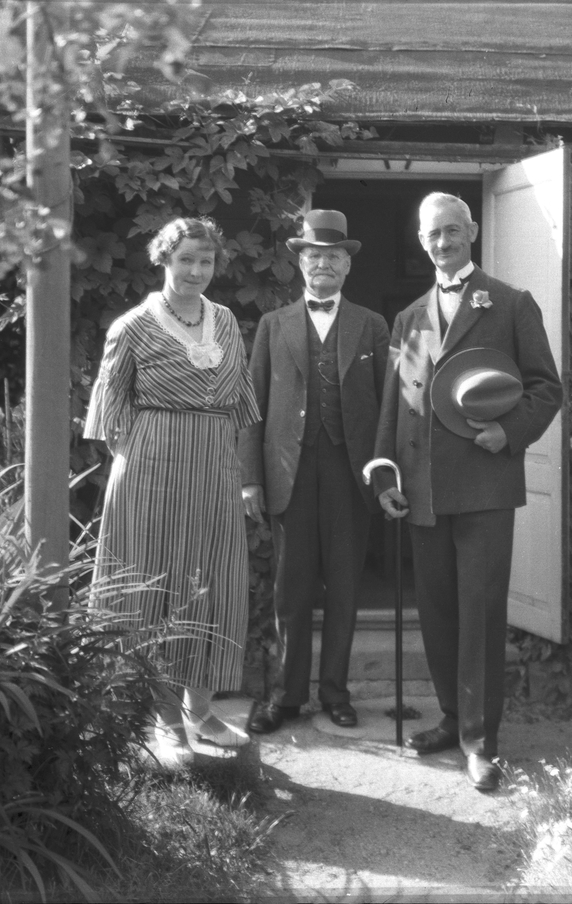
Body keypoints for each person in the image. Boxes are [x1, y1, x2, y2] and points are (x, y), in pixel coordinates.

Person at [373, 192, 562, 791]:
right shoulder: (410, 317)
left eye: (452, 231)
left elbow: (546, 388)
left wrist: (507, 432)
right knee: (436, 612)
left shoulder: (509, 303)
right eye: (433, 234)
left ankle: (481, 742)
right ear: (421, 241)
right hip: (424, 489)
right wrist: (386, 476)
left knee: (479, 612)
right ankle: (453, 719)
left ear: (472, 231)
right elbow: (399, 403)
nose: (443, 242)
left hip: (484, 486)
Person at [84, 216, 261, 757]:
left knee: (214, 582)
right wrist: (147, 463)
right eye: (185, 259)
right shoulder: (132, 327)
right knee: (156, 586)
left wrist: (235, 472)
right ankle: (166, 722)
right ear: (163, 259)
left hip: (215, 468)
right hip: (151, 471)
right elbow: (109, 421)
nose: (196, 271)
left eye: (206, 261)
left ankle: (201, 714)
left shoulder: (225, 321)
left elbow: (241, 406)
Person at [240, 210, 389, 734]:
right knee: (291, 589)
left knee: (345, 586)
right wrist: (250, 477)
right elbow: (252, 405)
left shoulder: (371, 324)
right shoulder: (273, 324)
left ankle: (335, 693)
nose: (322, 264)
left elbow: (387, 408)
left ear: (346, 266)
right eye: (313, 256)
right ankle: (284, 697)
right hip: (290, 472)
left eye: (333, 257)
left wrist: (385, 475)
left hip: (351, 472)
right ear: (300, 263)